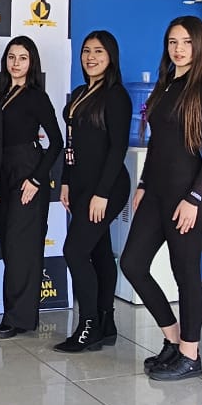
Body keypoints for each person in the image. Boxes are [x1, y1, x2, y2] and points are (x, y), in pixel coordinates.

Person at [122, 16, 202, 381]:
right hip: (156, 193)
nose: (178, 49)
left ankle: (190, 354)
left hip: (188, 197)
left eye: (186, 42)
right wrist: (142, 184)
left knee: (185, 275)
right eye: (172, 42)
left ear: (199, 46)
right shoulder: (166, 85)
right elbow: (158, 145)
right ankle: (172, 339)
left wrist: (194, 197)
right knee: (133, 264)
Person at [55, 30, 132, 354]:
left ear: (111, 56)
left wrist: (102, 193)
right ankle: (106, 323)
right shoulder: (80, 93)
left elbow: (117, 149)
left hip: (107, 187)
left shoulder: (116, 96)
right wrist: (66, 181)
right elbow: (71, 144)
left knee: (74, 251)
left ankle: (87, 326)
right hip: (81, 184)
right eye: (87, 51)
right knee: (99, 250)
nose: (91, 57)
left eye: (99, 51)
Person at [0, 36, 64, 338]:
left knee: (22, 248)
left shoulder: (36, 96)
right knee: (11, 248)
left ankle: (17, 318)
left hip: (27, 174)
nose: (16, 63)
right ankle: (17, 313)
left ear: (31, 62)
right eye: (11, 57)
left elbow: (56, 142)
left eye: (22, 58)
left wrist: (35, 179)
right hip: (2, 174)